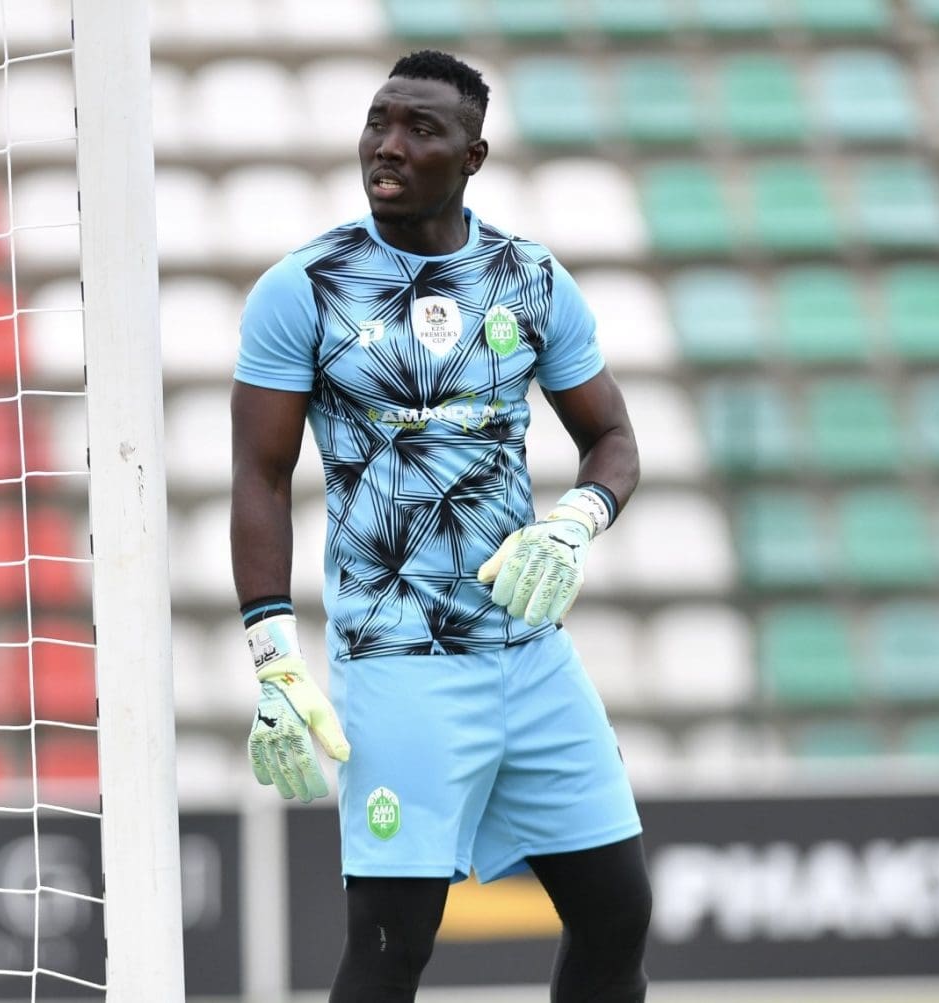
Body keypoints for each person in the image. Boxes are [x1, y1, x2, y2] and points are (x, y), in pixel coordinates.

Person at [231, 50, 649, 1002]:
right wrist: (274, 655)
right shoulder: (304, 288)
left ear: (474, 156)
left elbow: (613, 438)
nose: (388, 145)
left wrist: (577, 522)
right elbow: (260, 476)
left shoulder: (530, 280)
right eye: (378, 121)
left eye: (421, 129)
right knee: (391, 949)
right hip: (401, 661)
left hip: (533, 653)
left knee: (618, 914)